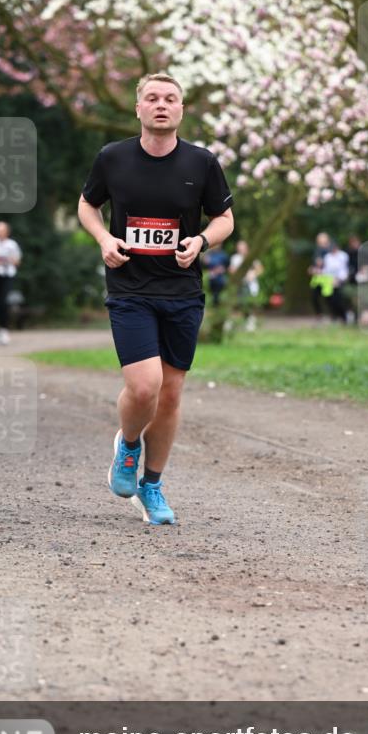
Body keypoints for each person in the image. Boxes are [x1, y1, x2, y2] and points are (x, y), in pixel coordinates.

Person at [77, 72, 234, 525]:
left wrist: (201, 241)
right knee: (145, 386)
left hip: (182, 290)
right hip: (129, 288)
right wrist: (104, 238)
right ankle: (128, 446)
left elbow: (224, 218)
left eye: (170, 98)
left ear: (181, 110)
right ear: (139, 108)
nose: (161, 104)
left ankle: (152, 485)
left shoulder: (201, 163)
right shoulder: (113, 158)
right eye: (152, 98)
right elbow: (87, 205)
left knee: (170, 395)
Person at [0, 220, 22, 344]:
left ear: (7, 232)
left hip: (7, 275)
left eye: (2, 230)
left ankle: (4, 329)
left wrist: (8, 260)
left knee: (3, 300)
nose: (0, 233)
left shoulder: (12, 245)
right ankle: (0, 327)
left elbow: (17, 261)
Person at [229, 239, 263, 331]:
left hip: (251, 286)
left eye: (242, 247)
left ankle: (250, 323)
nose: (240, 249)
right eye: (239, 247)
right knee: (237, 304)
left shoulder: (251, 258)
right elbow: (231, 270)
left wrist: (252, 274)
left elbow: (260, 269)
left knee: (250, 304)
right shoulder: (235, 258)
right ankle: (232, 323)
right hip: (239, 285)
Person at [322, 240, 350, 322]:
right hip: (329, 280)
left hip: (341, 280)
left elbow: (344, 269)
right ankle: (334, 315)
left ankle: (343, 316)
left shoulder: (343, 256)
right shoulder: (327, 257)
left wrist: (338, 279)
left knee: (338, 298)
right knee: (328, 298)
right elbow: (326, 270)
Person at [308, 231, 332, 320]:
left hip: (328, 277)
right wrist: (312, 268)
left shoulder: (330, 251)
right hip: (317, 277)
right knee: (314, 296)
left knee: (328, 297)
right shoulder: (317, 250)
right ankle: (319, 314)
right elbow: (314, 263)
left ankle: (332, 315)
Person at [204, 242, 230, 306]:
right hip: (209, 277)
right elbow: (204, 266)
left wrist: (218, 271)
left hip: (220, 278)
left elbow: (227, 267)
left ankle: (217, 303)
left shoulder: (224, 255)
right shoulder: (209, 254)